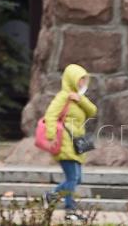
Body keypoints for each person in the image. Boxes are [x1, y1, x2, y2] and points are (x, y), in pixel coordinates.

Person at [43, 63, 96, 220]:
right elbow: (50, 115)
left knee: (77, 178)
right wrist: (51, 136)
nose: (83, 83)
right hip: (65, 142)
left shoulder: (78, 98)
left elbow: (93, 111)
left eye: (84, 79)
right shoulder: (63, 96)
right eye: (80, 79)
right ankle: (69, 210)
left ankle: (51, 195)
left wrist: (80, 100)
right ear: (72, 79)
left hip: (76, 143)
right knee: (72, 178)